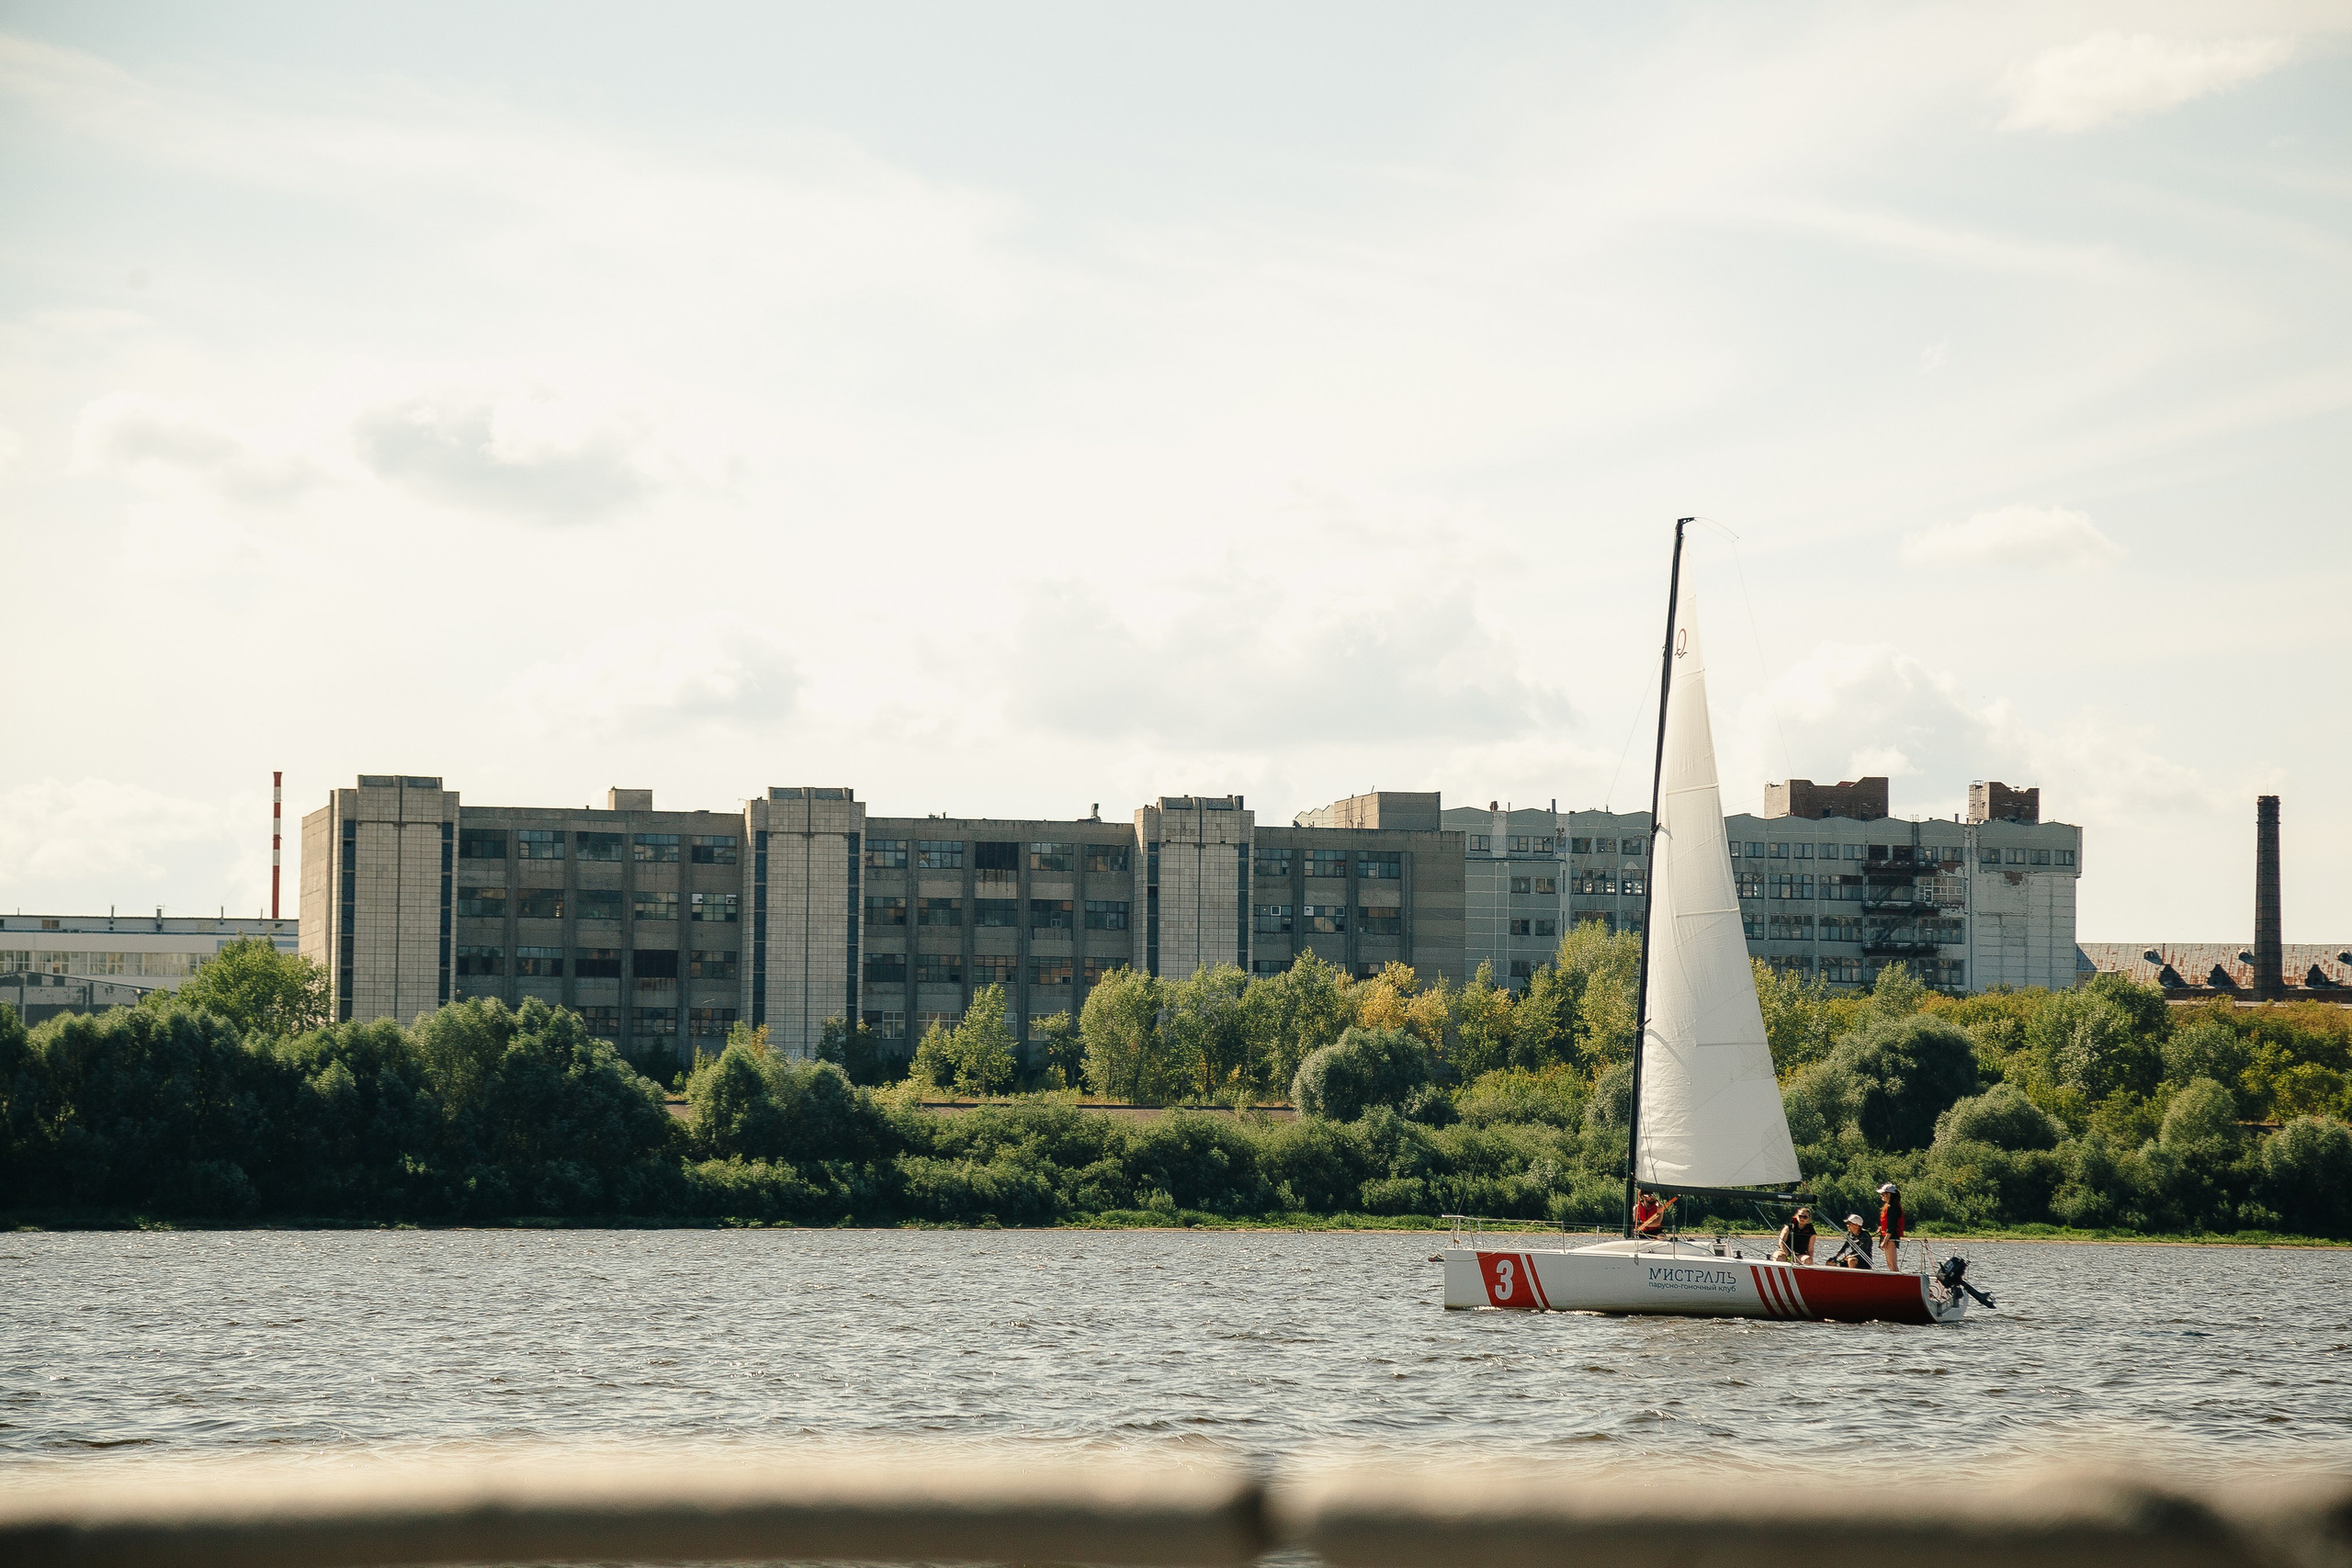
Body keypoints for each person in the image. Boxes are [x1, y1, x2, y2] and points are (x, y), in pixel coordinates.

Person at [1878, 1182, 1905, 1272]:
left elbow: (1891, 1226)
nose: (1882, 1196)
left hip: (1891, 1238)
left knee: (1891, 1264)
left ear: (1889, 1195)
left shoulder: (1893, 1208)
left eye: (1883, 1194)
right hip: (1889, 1237)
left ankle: (1897, 1281)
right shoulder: (1891, 1207)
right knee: (1890, 1263)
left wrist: (1884, 1241)